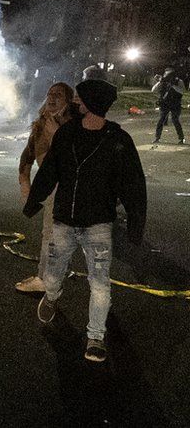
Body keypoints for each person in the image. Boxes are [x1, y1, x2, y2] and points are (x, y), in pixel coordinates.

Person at [24, 79, 146, 362]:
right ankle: (52, 297)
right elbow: (49, 172)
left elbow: (134, 187)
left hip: (98, 226)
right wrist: (34, 203)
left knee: (100, 282)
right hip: (64, 221)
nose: (75, 103)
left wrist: (136, 227)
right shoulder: (67, 134)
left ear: (91, 104)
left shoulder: (118, 141)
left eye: (79, 99)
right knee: (52, 276)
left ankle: (95, 336)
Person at [14, 83, 77, 293]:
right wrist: (26, 187)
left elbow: (74, 159)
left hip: (66, 187)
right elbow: (26, 158)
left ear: (68, 101)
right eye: (49, 94)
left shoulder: (74, 125)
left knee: (52, 234)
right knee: (52, 234)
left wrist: (56, 135)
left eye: (58, 95)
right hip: (50, 186)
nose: (51, 98)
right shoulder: (41, 125)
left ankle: (46, 280)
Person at [151, 68, 185, 145]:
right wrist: (160, 81)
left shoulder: (179, 81)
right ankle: (157, 138)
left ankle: (181, 138)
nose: (168, 76)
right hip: (165, 104)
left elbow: (182, 91)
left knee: (175, 120)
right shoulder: (163, 81)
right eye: (166, 74)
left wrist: (172, 85)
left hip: (175, 104)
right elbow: (153, 90)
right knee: (161, 120)